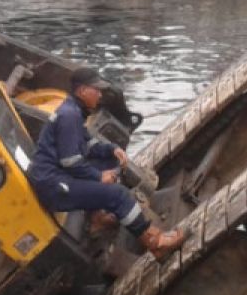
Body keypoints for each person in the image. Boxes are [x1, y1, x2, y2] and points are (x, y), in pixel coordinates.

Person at [28, 67, 188, 260]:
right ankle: (155, 242)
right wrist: (99, 177)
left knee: (108, 159)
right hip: (54, 185)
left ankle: (97, 218)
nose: (100, 94)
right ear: (81, 91)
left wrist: (112, 149)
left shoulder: (75, 110)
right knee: (118, 195)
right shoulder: (69, 116)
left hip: (58, 174)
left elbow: (88, 143)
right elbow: (70, 161)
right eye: (96, 89)